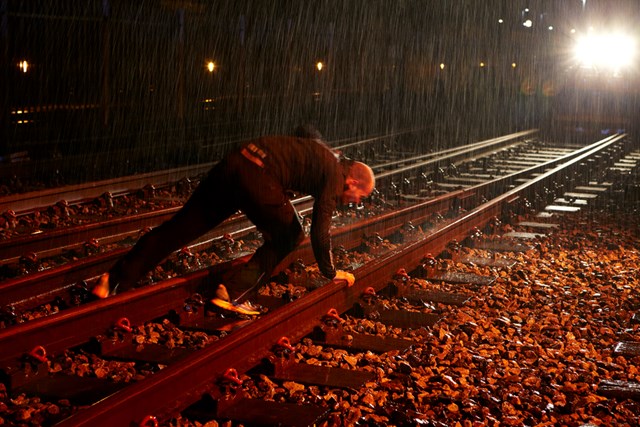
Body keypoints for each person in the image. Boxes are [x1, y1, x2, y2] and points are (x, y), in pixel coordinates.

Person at [92, 127, 376, 315]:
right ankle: (232, 291)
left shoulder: (327, 157)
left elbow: (304, 130)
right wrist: (330, 271)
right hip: (258, 176)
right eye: (359, 195)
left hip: (235, 163)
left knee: (182, 227)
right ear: (351, 181)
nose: (357, 202)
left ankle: (114, 278)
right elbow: (320, 228)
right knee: (291, 235)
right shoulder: (335, 176)